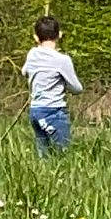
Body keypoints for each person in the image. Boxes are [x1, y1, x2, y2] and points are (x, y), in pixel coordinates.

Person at [22, 16, 82, 156]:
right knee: (62, 156)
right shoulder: (62, 60)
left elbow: (24, 71)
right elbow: (77, 88)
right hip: (53, 111)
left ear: (36, 37)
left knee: (44, 156)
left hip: (35, 111)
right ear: (59, 35)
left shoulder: (32, 54)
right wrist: (64, 84)